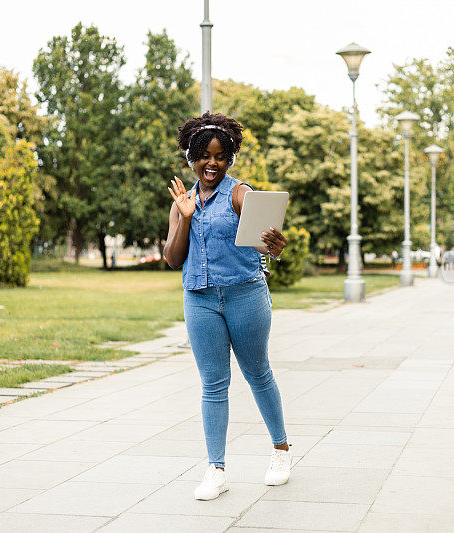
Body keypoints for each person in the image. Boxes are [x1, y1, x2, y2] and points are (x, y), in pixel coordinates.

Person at [163, 113, 291, 501]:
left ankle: (281, 451)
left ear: (230, 158)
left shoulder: (239, 194)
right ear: (191, 157)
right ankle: (216, 469)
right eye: (203, 156)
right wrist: (185, 218)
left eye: (220, 156)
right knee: (213, 384)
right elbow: (172, 257)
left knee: (257, 373)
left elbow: (262, 240)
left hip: (244, 295)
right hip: (199, 298)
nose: (211, 163)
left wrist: (272, 245)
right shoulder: (182, 202)